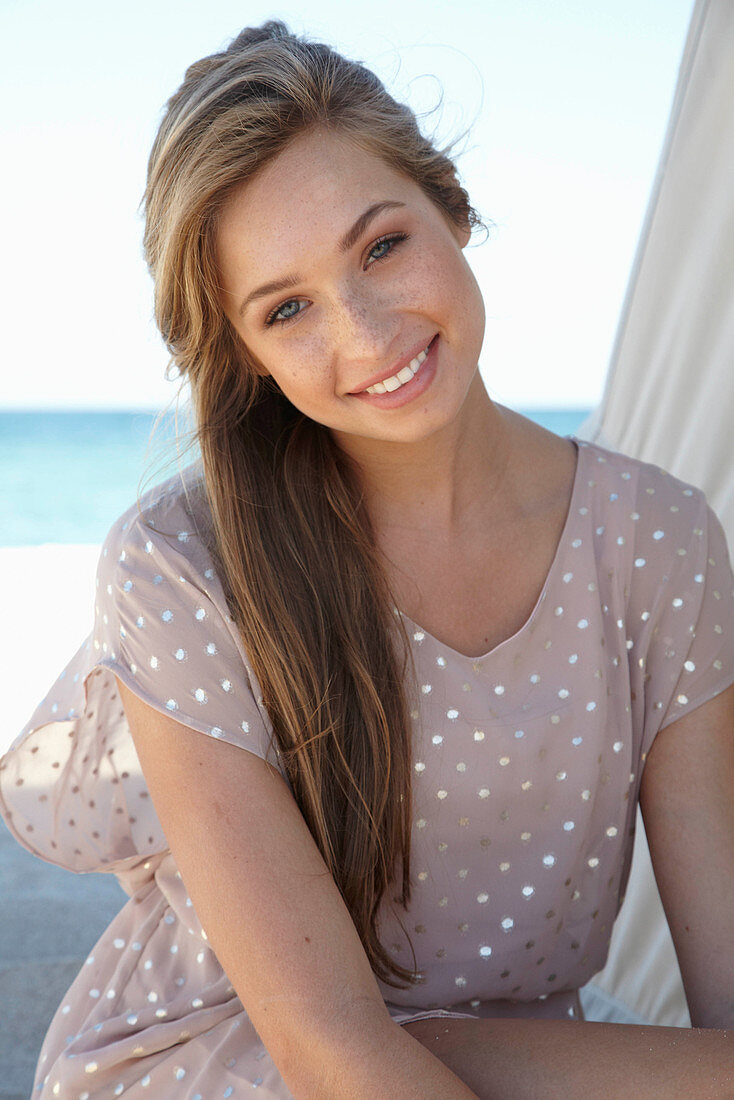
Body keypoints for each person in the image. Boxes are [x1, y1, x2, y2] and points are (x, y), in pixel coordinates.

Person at [2, 19, 733, 1098]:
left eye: (381, 244)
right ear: (241, 355)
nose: (365, 331)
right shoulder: (181, 566)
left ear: (451, 202)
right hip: (231, 1056)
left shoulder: (658, 541)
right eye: (286, 308)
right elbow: (331, 1051)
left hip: (506, 1052)